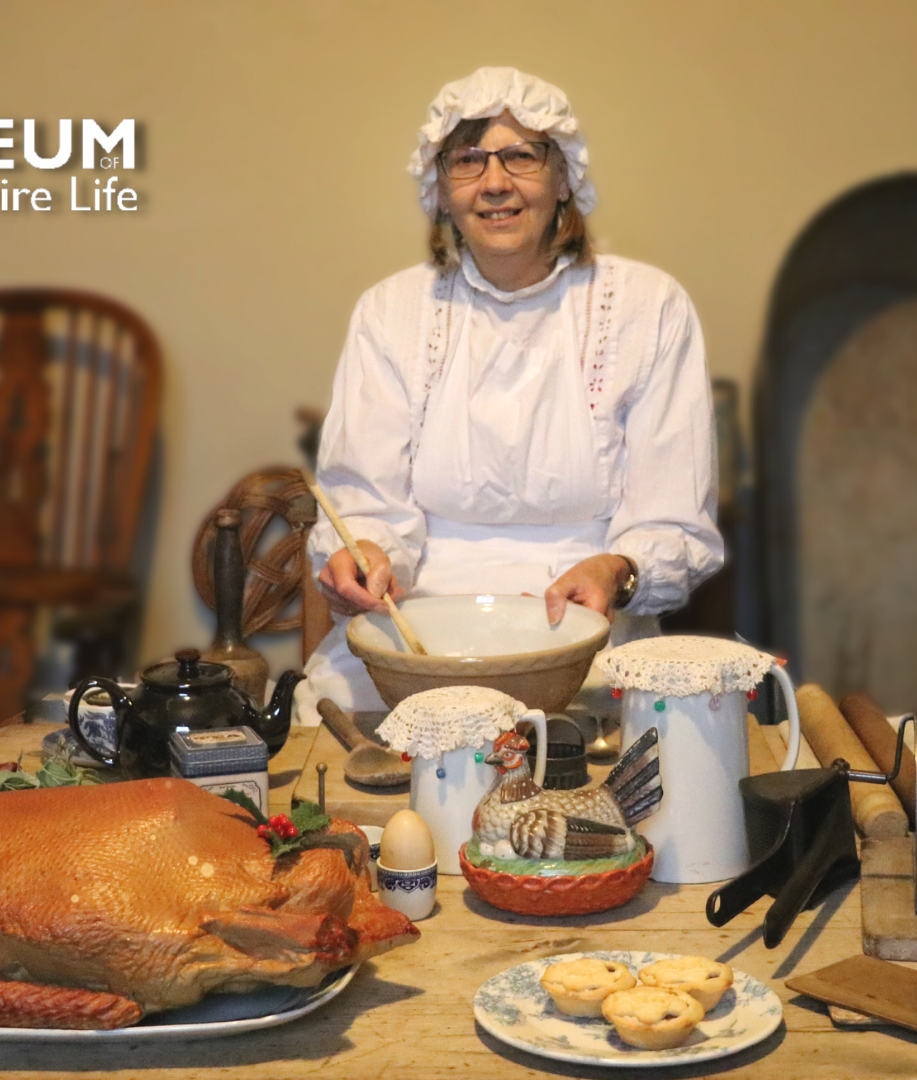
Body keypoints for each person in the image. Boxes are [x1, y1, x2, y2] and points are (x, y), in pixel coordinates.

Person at [303, 66, 724, 715]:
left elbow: (671, 519)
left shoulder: (649, 307)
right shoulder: (391, 313)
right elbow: (367, 504)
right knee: (333, 716)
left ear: (563, 178)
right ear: (441, 189)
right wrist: (364, 552)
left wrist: (618, 570)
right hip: (420, 629)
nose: (495, 183)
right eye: (468, 160)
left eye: (520, 156)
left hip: (590, 637)